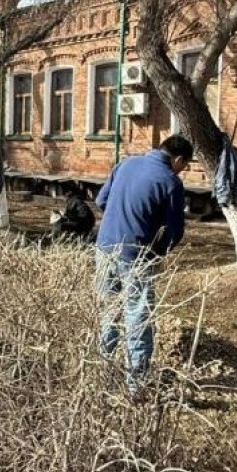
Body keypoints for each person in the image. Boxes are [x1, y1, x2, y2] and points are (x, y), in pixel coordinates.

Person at [94, 135, 192, 397]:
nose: (183, 170)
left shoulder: (125, 164)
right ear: (179, 160)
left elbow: (101, 202)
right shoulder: (170, 182)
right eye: (185, 165)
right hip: (136, 256)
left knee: (108, 310)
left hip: (104, 248)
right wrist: (158, 253)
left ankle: (102, 371)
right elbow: (174, 232)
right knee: (138, 316)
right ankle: (136, 385)